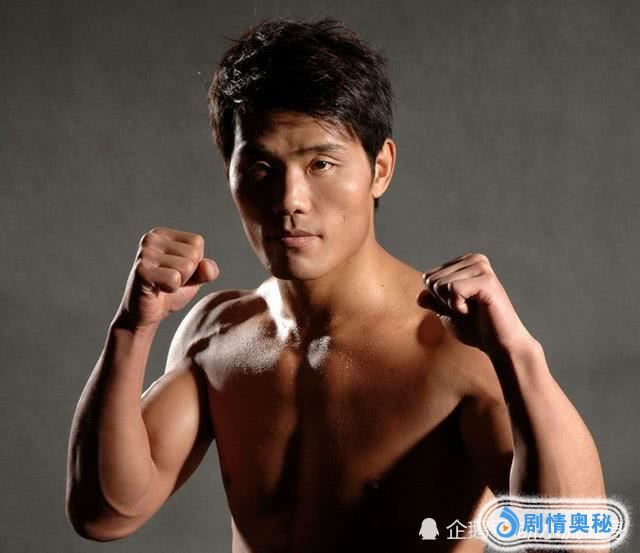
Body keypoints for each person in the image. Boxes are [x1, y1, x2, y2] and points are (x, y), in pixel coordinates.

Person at [65, 17, 607, 553]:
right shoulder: (218, 334)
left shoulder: (457, 350)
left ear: (380, 168)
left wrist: (519, 356)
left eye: (321, 164)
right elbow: (106, 513)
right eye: (261, 167)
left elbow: (573, 547)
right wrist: (132, 328)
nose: (289, 201)